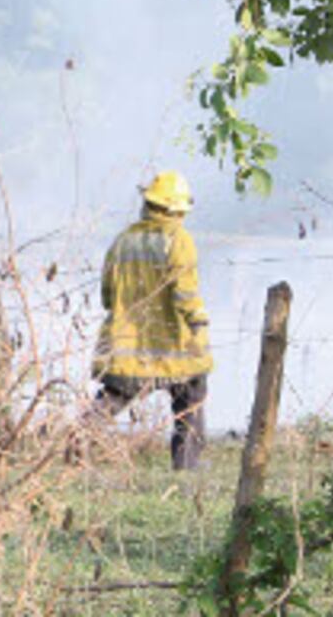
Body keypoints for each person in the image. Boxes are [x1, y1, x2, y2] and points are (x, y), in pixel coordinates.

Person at [87, 170, 213, 470]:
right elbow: (185, 292)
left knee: (111, 400)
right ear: (177, 210)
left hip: (127, 347)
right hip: (173, 347)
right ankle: (186, 466)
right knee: (190, 402)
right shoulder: (178, 240)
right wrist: (200, 324)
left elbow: (107, 295)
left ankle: (72, 451)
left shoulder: (122, 241)